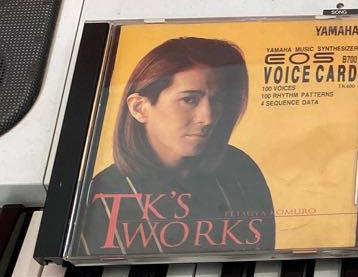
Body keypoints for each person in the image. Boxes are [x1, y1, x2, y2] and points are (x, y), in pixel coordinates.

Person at [81, 36, 275, 255]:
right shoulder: (103, 192)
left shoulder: (241, 169)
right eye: (189, 100)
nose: (208, 118)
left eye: (217, 100)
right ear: (139, 108)